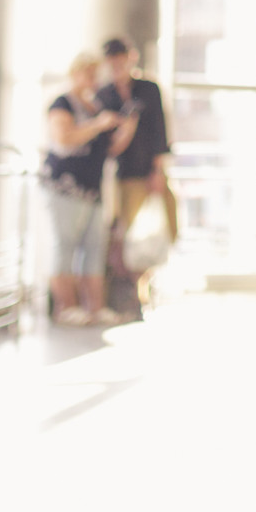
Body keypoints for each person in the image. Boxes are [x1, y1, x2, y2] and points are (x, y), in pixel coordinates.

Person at [44, 50, 124, 325]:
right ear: (75, 73)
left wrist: (127, 124)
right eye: (88, 74)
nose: (93, 80)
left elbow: (111, 148)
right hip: (65, 188)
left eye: (96, 75)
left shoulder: (95, 107)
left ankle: (95, 308)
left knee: (94, 248)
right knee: (64, 247)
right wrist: (97, 125)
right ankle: (65, 307)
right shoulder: (62, 103)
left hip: (93, 189)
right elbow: (64, 140)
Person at [101, 35, 174, 319]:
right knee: (127, 236)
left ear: (131, 58)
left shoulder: (148, 89)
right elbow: (108, 146)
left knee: (160, 231)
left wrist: (157, 171)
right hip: (122, 176)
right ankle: (133, 294)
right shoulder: (105, 95)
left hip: (150, 172)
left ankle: (144, 288)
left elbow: (160, 132)